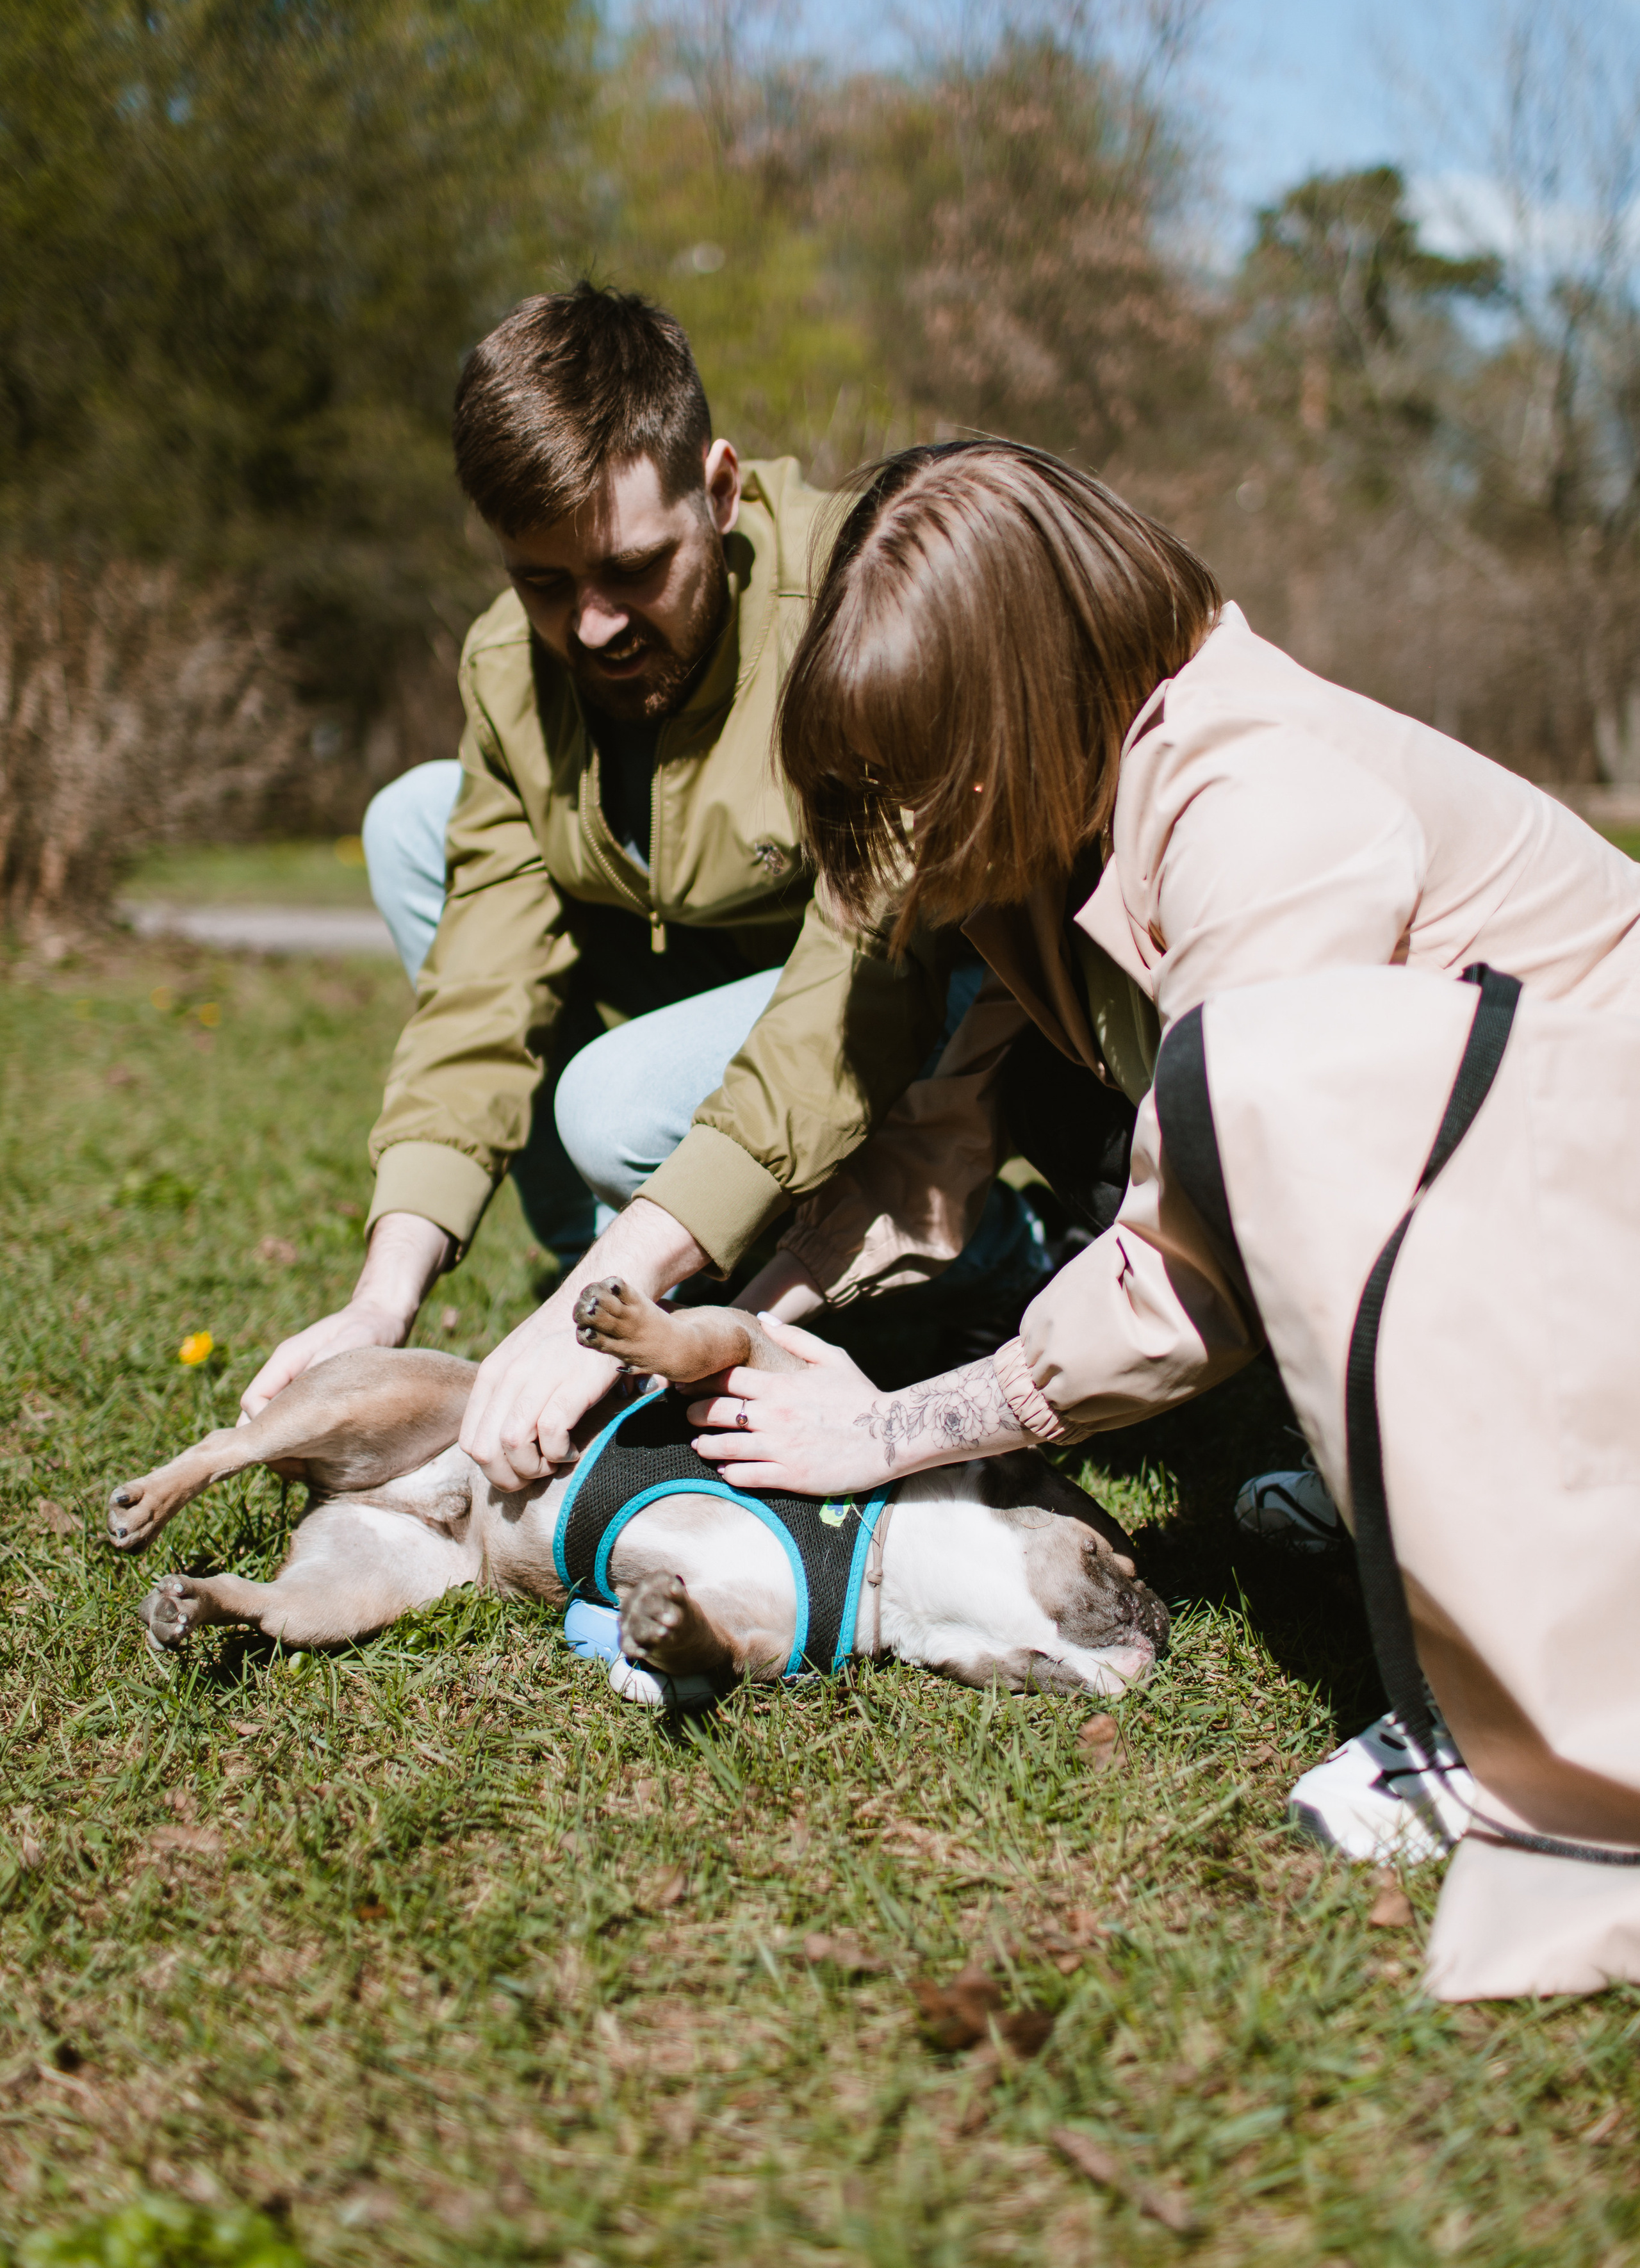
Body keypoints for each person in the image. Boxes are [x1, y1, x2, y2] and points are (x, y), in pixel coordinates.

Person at [680, 435, 1640, 1869]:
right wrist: (748, 1319)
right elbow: (927, 1146)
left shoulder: (1259, 819)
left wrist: (879, 1434)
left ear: (1018, 701)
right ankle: (1406, 1479)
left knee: (1282, 1144)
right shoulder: (1049, 814)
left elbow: (1196, 1267)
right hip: (1533, 1224)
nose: (905, 827)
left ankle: (1511, 1721)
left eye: (921, 773)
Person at [242, 288, 1035, 1475]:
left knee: (609, 1107)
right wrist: (381, 1298)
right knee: (414, 821)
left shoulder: (861, 607)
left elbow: (849, 996)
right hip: (717, 966)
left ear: (717, 492)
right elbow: (482, 982)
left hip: (909, 978)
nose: (595, 626)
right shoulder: (510, 669)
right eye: (545, 584)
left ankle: (997, 1250)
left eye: (631, 569)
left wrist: (634, 1269)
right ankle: (606, 1278)